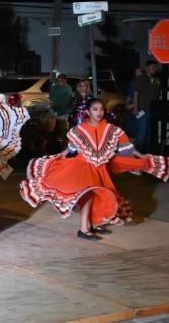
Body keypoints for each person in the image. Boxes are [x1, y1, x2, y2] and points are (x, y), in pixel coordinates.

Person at [21, 98, 169, 241]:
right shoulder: (80, 129)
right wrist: (60, 156)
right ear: (87, 112)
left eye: (102, 109)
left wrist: (140, 155)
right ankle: (84, 229)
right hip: (83, 167)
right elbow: (72, 147)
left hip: (100, 169)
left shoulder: (111, 129)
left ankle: (94, 224)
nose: (99, 112)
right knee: (89, 196)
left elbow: (126, 146)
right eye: (95, 109)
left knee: (103, 195)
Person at [133, 61, 160, 153]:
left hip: (152, 111)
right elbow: (136, 94)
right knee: (141, 135)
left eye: (156, 67)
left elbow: (157, 95)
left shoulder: (156, 80)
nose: (155, 69)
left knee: (149, 135)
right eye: (153, 67)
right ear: (147, 68)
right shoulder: (141, 78)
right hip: (142, 111)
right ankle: (136, 155)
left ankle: (147, 156)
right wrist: (136, 108)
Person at [49, 70, 73, 145]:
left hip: (63, 112)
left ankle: (65, 145)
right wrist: (54, 70)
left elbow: (66, 102)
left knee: (63, 130)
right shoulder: (56, 86)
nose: (60, 82)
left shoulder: (68, 89)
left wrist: (54, 104)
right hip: (54, 111)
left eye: (62, 80)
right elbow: (52, 78)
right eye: (59, 80)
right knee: (53, 129)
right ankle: (55, 143)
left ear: (65, 80)